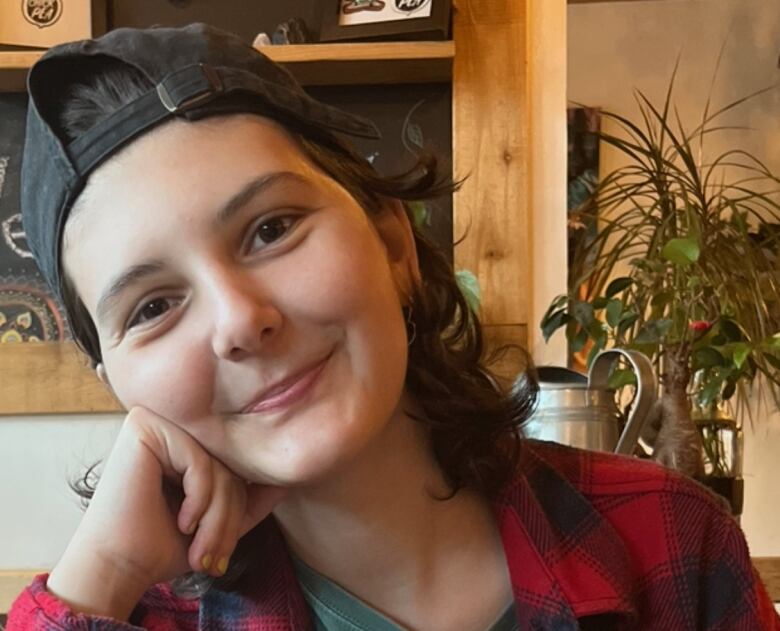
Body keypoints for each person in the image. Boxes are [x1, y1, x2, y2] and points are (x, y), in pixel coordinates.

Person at [7, 23, 779, 631]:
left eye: (271, 228)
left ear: (393, 242)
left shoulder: (674, 541)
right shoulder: (130, 614)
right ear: (118, 384)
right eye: (151, 307)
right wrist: (103, 569)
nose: (240, 320)